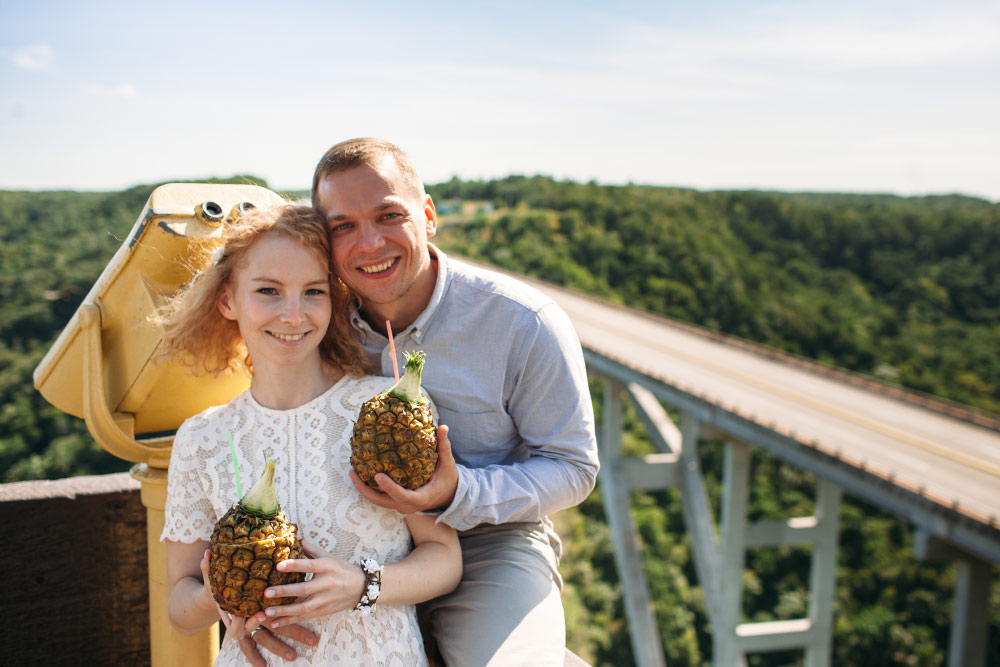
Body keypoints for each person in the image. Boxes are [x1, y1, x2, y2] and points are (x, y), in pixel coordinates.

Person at [309, 138, 600, 666]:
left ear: (428, 215)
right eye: (342, 226)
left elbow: (574, 467)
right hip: (348, 536)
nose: (369, 243)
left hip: (489, 540)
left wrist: (457, 491)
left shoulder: (523, 323)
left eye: (388, 215)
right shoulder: (311, 318)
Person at [157, 203, 462, 666]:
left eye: (313, 292)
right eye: (268, 291)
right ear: (227, 301)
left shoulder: (387, 410)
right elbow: (181, 604)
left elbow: (444, 558)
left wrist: (362, 585)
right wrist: (224, 596)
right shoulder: (202, 438)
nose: (293, 314)